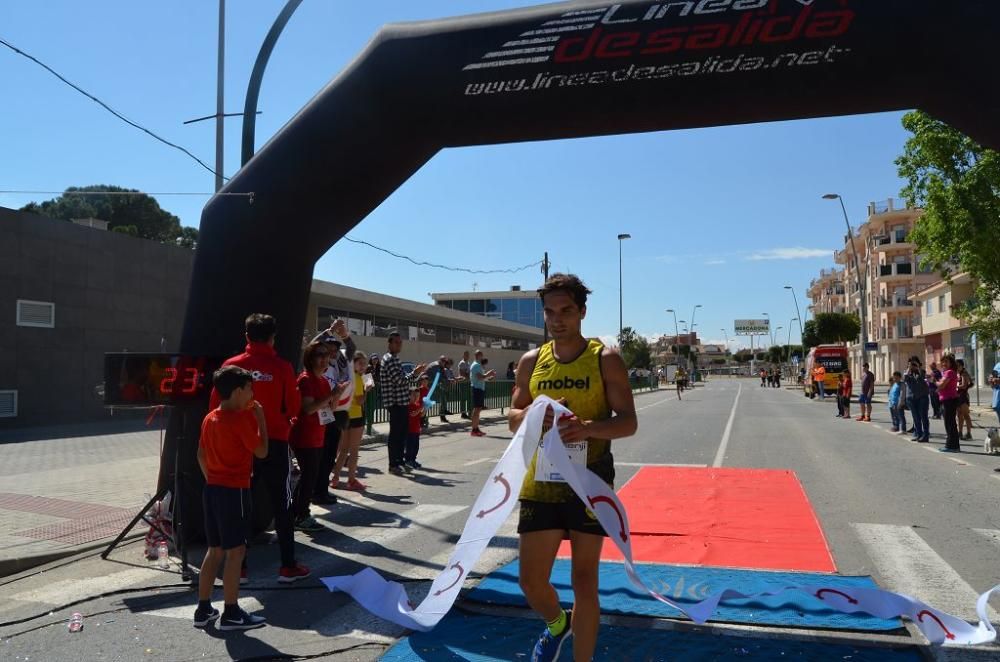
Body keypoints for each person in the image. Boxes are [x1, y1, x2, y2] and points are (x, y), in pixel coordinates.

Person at [509, 273, 637, 662]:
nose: (557, 319)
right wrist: (534, 414)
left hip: (589, 480)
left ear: (582, 312)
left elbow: (628, 421)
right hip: (543, 482)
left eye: (566, 310)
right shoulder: (532, 361)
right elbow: (513, 418)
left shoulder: (605, 358)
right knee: (531, 582)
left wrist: (587, 428)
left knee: (584, 581)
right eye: (550, 312)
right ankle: (556, 624)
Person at [209, 314, 309, 584]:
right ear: (272, 337)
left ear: (246, 336)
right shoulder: (282, 367)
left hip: (240, 448)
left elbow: (215, 409)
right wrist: (285, 427)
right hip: (274, 443)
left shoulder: (231, 366)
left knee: (242, 506)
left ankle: (238, 569)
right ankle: (288, 567)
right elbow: (293, 405)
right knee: (283, 505)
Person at [195, 365, 268, 630]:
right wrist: (260, 419)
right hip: (234, 490)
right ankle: (232, 612)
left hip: (212, 489)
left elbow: (200, 455)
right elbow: (261, 451)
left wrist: (213, 476)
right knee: (235, 552)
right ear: (238, 391)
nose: (252, 393)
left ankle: (203, 609)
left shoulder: (209, 418)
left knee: (214, 550)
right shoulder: (241, 419)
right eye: (249, 388)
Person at [289, 342, 344, 533]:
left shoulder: (322, 380)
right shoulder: (306, 379)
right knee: (308, 476)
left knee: (310, 476)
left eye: (326, 355)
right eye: (320, 355)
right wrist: (331, 395)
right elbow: (308, 408)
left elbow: (329, 408)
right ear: (310, 359)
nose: (324, 359)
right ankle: (301, 514)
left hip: (318, 433)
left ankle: (297, 511)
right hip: (305, 435)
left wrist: (336, 396)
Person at [310, 319, 357, 505]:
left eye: (336, 349)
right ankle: (313, 491)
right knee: (317, 456)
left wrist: (344, 334)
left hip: (334, 413)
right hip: (318, 413)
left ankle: (322, 490)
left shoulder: (339, 363)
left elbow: (351, 349)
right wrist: (330, 331)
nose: (333, 352)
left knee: (329, 455)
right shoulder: (314, 363)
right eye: (329, 348)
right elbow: (313, 344)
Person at [380, 332, 425, 475]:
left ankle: (399, 462)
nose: (399, 345)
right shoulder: (389, 360)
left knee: (401, 434)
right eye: (396, 342)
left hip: (401, 402)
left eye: (400, 342)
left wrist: (414, 374)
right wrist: (414, 373)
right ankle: (393, 464)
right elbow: (399, 380)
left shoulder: (394, 359)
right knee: (396, 435)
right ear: (390, 343)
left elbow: (401, 380)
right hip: (396, 403)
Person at [332, 351, 372, 491]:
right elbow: (360, 401)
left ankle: (335, 478)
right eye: (360, 363)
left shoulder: (345, 376)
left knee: (343, 450)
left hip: (344, 415)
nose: (363, 366)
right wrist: (367, 390)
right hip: (356, 416)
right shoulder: (359, 379)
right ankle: (351, 480)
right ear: (353, 363)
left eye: (364, 364)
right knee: (354, 451)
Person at [937, 354, 962, 452]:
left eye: (946, 362)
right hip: (947, 400)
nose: (944, 363)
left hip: (949, 400)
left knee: (950, 424)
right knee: (949, 423)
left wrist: (934, 381)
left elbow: (942, 385)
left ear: (951, 363)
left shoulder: (949, 372)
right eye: (943, 361)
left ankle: (952, 445)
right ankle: (953, 445)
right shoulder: (947, 372)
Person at [469, 350, 496, 437]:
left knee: (478, 409)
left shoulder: (477, 365)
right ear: (479, 356)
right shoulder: (476, 365)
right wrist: (489, 374)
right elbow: (480, 377)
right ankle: (474, 429)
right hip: (477, 389)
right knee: (476, 409)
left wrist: (488, 378)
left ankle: (476, 429)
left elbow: (482, 378)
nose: (482, 357)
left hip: (479, 389)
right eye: (481, 355)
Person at [903, 356, 930, 443]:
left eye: (914, 364)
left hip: (922, 397)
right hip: (911, 398)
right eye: (911, 364)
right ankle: (918, 434)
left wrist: (918, 367)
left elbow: (922, 378)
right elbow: (905, 379)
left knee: (923, 417)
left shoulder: (922, 372)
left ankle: (925, 435)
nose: (913, 366)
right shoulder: (907, 373)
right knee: (916, 418)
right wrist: (909, 368)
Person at [405, 386, 424, 470]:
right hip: (409, 430)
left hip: (416, 430)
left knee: (416, 447)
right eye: (414, 395)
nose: (416, 397)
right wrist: (420, 408)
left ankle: (413, 460)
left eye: (418, 396)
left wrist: (426, 408)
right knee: (410, 446)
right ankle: (408, 460)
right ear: (409, 396)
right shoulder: (408, 405)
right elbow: (413, 414)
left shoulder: (417, 404)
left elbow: (421, 415)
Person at [956, 359, 974, 441]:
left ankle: (969, 433)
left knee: (965, 415)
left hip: (963, 396)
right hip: (958, 396)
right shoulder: (958, 373)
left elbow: (964, 385)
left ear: (962, 366)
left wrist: (955, 386)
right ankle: (960, 432)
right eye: (956, 366)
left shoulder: (964, 373)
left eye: (958, 366)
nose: (957, 367)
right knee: (959, 415)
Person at [457, 350, 472, 419]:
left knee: (469, 397)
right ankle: (463, 413)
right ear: (463, 355)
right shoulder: (462, 363)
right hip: (463, 382)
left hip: (468, 382)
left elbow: (468, 372)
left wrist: (469, 375)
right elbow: (462, 373)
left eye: (468, 355)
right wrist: (468, 375)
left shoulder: (468, 363)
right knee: (463, 398)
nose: (467, 356)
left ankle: (469, 411)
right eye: (466, 355)